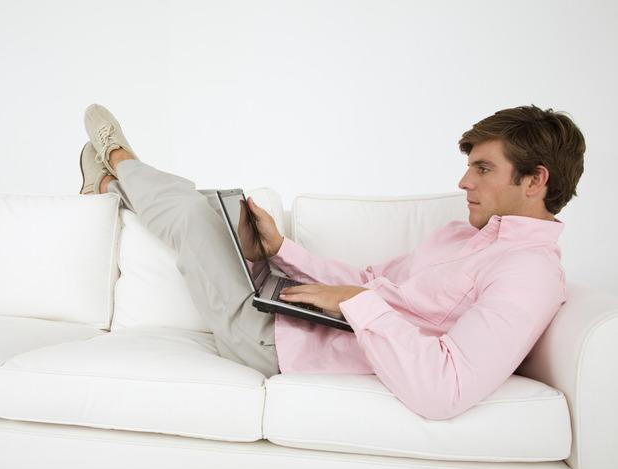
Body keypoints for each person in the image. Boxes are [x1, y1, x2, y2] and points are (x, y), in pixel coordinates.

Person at [78, 104, 585, 420]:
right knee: (219, 210)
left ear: (535, 180)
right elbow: (372, 282)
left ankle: (117, 164)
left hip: (276, 345)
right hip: (294, 314)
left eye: (482, 168)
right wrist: (282, 253)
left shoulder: (530, 274)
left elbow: (445, 389)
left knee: (191, 213)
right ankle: (109, 185)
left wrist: (360, 304)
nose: (463, 182)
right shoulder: (461, 234)